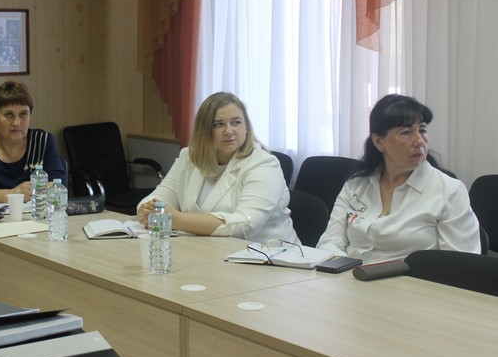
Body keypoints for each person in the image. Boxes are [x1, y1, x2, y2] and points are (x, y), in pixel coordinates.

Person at [316, 94, 480, 264]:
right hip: (349, 276)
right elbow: (330, 242)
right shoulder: (356, 184)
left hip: (410, 280)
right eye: (406, 133)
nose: (419, 141)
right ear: (379, 142)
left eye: (422, 130)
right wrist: (339, 271)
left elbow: (461, 266)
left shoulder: (449, 191)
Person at [137, 92, 298, 242]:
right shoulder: (189, 157)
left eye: (236, 122)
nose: (228, 131)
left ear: (246, 127)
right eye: (219, 124)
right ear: (204, 131)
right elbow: (157, 199)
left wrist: (175, 219)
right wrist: (147, 210)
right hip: (208, 250)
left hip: (268, 256)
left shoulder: (264, 165)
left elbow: (244, 225)